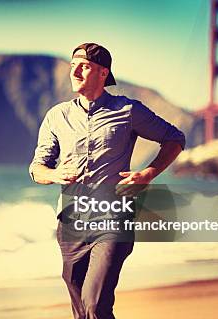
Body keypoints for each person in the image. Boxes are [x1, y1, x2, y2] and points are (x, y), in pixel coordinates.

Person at [29, 43, 185, 319]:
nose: (75, 71)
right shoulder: (57, 116)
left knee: (94, 305)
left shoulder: (128, 110)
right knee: (83, 313)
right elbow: (37, 168)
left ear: (103, 73)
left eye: (84, 66)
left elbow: (174, 138)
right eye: (72, 65)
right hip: (71, 223)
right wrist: (54, 175)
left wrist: (148, 173)